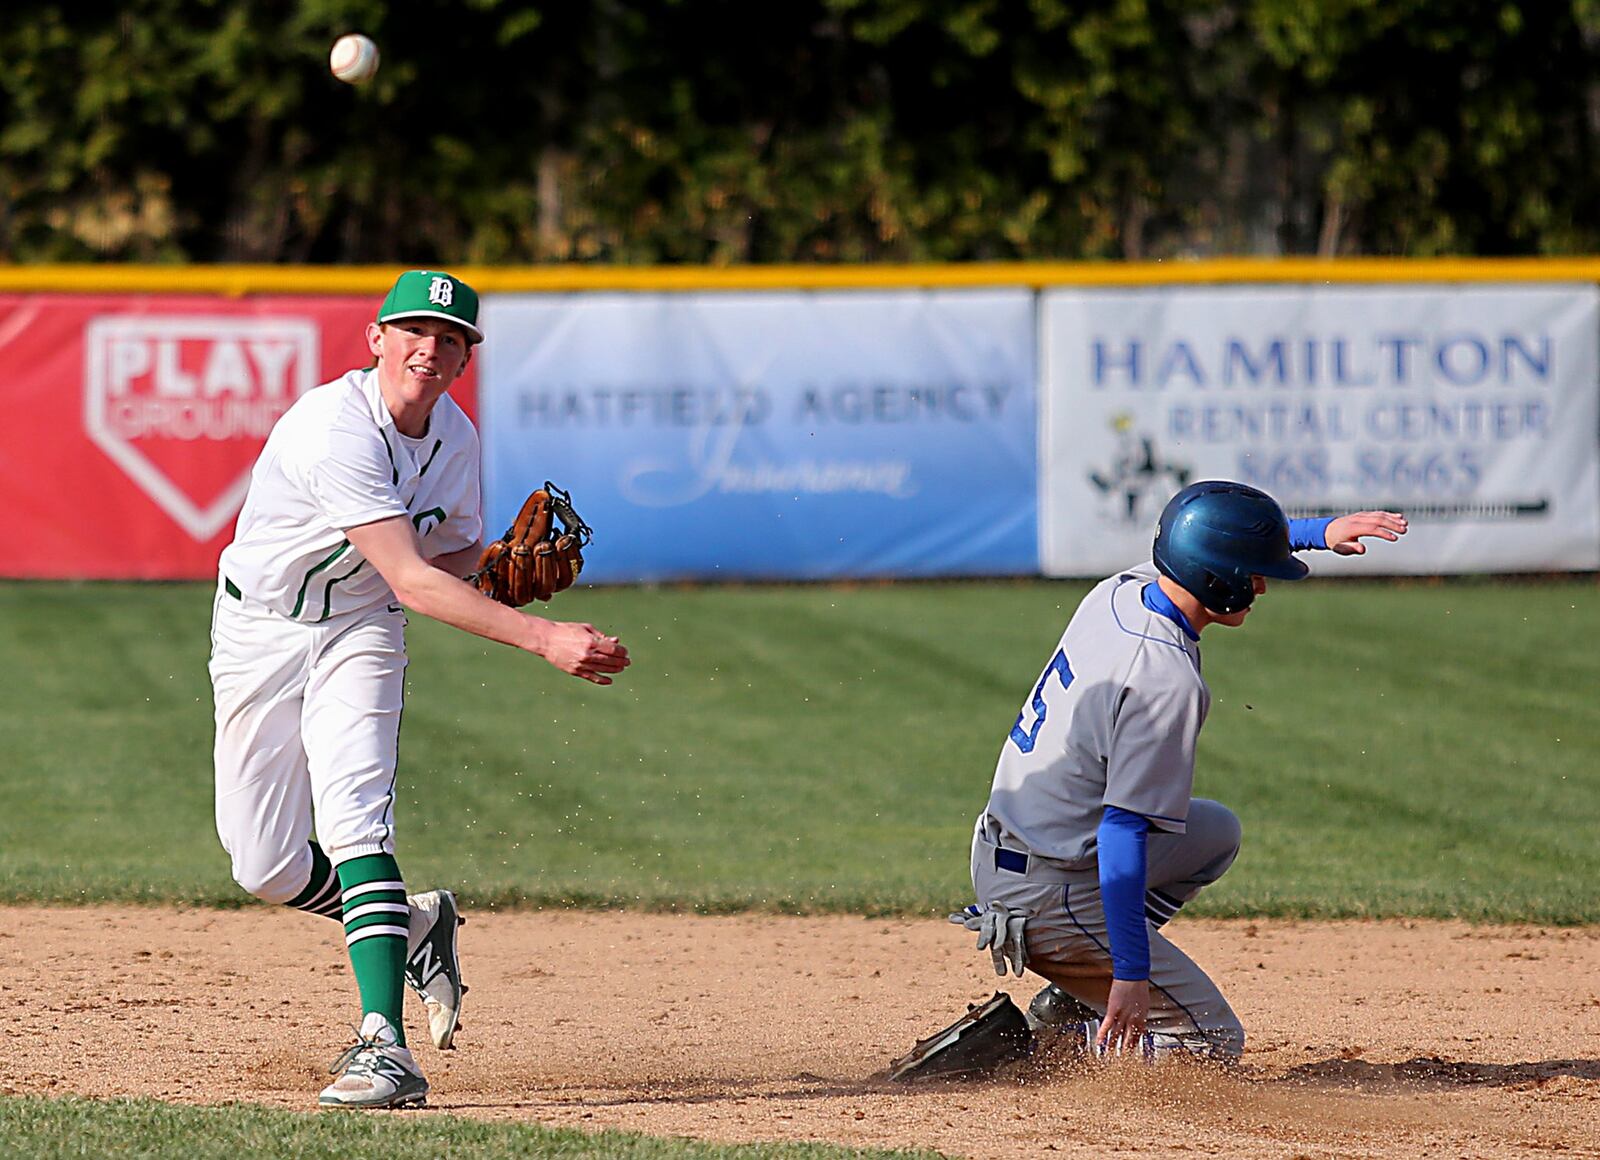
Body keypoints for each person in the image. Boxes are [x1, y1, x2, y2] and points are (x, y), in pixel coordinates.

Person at [209, 270, 631, 1109]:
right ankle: (416, 923)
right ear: (376, 339)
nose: (428, 349)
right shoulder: (337, 427)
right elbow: (412, 577)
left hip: (360, 629)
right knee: (264, 864)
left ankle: (382, 1047)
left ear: (465, 358)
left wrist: (496, 569)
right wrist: (544, 636)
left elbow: (442, 563)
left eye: (449, 339)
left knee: (356, 814)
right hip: (260, 631)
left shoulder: (457, 439)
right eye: (412, 331)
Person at [897, 482, 1405, 1075]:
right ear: (1217, 578)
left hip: (1013, 853)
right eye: (1256, 571)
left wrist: (1317, 534)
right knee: (1210, 1042)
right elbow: (1121, 834)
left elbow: (1205, 538)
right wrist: (1132, 976)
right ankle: (1017, 1053)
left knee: (1213, 832)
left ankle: (1075, 993)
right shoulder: (1163, 679)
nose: (1263, 584)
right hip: (1049, 895)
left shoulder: (1125, 592)